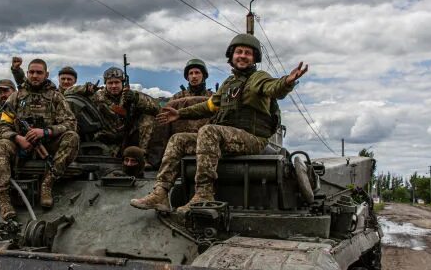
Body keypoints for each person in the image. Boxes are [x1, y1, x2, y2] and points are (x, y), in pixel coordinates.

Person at [130, 33, 307, 213]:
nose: (243, 56)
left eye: (248, 53)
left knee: (208, 131)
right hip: (228, 138)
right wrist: (180, 113)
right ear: (232, 56)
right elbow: (209, 106)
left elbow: (274, 87)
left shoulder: (258, 78)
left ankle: (204, 193)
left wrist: (287, 82)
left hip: (254, 139)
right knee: (178, 139)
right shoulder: (229, 84)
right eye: (239, 52)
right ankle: (160, 193)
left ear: (254, 58)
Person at [0, 59, 80, 219]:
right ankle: (4, 200)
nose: (35, 75)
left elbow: (70, 123)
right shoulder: (15, 97)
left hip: (47, 146)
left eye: (39, 72)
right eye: (31, 72)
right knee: (1, 145)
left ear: (46, 75)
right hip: (21, 147)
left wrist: (46, 132)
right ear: (27, 74)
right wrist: (17, 138)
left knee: (72, 137)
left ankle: (46, 185)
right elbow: (1, 127)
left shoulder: (56, 97)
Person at [77, 67, 159, 157]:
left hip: (131, 136)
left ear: (122, 83)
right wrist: (85, 88)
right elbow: (68, 93)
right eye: (110, 83)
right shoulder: (97, 97)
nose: (114, 86)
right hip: (107, 137)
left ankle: (143, 157)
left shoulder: (131, 94)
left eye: (117, 82)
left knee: (148, 118)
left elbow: (157, 108)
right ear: (105, 84)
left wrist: (137, 99)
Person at [12, 56, 79, 92]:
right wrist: (16, 70)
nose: (66, 81)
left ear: (75, 81)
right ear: (58, 79)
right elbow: (25, 82)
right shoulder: (51, 92)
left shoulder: (81, 94)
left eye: (69, 79)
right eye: (63, 79)